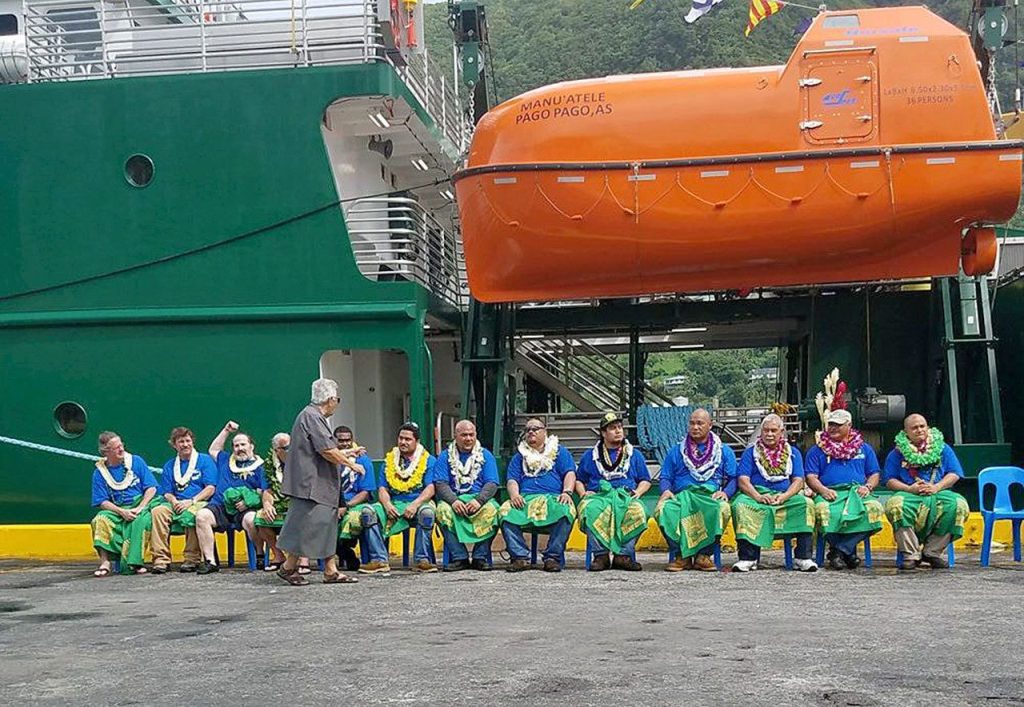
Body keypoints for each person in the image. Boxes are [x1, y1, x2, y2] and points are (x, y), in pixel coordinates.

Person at [275, 378, 361, 586]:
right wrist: (351, 464)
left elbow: (317, 448)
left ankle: (328, 570)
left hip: (316, 486)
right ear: (330, 399)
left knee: (322, 525)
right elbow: (326, 450)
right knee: (308, 526)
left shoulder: (310, 416)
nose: (337, 403)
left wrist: (347, 451)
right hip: (311, 486)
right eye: (337, 399)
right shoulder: (312, 417)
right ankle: (289, 567)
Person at [731, 414, 817, 572]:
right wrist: (758, 496)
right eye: (766, 431)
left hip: (784, 496)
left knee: (807, 504)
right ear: (761, 432)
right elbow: (743, 480)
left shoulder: (793, 453)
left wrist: (784, 497)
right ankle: (748, 558)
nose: (769, 434)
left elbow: (798, 481)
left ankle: (802, 557)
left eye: (773, 430)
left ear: (782, 432)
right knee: (740, 506)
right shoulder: (751, 453)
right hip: (756, 495)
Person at [882, 414, 969, 570]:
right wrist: (909, 489)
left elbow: (954, 473)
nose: (919, 430)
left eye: (922, 426)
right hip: (909, 492)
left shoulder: (943, 448)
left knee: (959, 505)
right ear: (906, 431)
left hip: (939, 491)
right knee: (895, 506)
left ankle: (932, 552)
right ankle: (911, 554)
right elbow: (889, 480)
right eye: (914, 428)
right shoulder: (896, 452)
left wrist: (937, 487)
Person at [655, 408, 736, 572]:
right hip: (682, 497)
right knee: (663, 509)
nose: (695, 427)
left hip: (709, 496)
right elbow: (665, 477)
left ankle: (703, 556)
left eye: (700, 423)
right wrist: (665, 491)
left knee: (722, 508)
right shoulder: (676, 451)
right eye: (692, 423)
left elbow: (734, 478)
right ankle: (681, 556)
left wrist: (725, 493)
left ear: (710, 425)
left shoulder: (723, 451)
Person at [805, 408, 884, 570]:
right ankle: (848, 553)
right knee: (823, 510)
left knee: (874, 509)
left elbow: (874, 473)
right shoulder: (817, 449)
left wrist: (868, 486)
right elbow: (811, 477)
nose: (833, 428)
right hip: (829, 492)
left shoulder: (864, 448)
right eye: (831, 424)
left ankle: (838, 551)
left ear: (849, 426)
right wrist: (822, 490)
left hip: (857, 492)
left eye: (838, 425)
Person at [358, 422, 439, 574]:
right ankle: (379, 560)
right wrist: (387, 505)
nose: (403, 442)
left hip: (419, 503)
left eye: (408, 439)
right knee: (368, 512)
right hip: (394, 504)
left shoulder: (429, 460)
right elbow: (382, 488)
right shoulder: (389, 460)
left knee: (427, 513)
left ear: (417, 441)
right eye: (401, 438)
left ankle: (421, 560)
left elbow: (430, 488)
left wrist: (415, 504)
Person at [575, 412, 650, 572]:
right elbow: (579, 479)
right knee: (588, 510)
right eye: (612, 428)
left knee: (639, 511)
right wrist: (583, 494)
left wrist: (638, 492)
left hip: (625, 495)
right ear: (603, 433)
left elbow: (645, 479)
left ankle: (623, 556)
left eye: (619, 427)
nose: (618, 431)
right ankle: (600, 556)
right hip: (599, 496)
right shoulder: (591, 455)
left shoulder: (634, 454)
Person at [500, 417, 577, 573]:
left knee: (567, 511)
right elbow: (512, 480)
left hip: (553, 498)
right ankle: (520, 557)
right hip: (525, 500)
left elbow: (569, 473)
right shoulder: (519, 457)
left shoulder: (559, 452)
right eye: (528, 430)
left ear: (545, 432)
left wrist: (567, 492)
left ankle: (552, 557)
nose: (531, 432)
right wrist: (514, 495)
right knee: (504, 512)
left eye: (535, 429)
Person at [89, 431, 160, 576]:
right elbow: (101, 501)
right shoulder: (100, 472)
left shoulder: (136, 462)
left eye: (121, 445)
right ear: (106, 452)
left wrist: (141, 507)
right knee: (100, 520)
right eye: (116, 448)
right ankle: (105, 562)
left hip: (140, 505)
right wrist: (121, 512)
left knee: (140, 520)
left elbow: (151, 488)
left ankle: (134, 563)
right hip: (117, 509)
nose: (121, 449)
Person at [434, 419, 501, 571]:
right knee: (442, 511)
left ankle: (480, 556)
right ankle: (460, 557)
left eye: (471, 435)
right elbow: (441, 484)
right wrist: (454, 501)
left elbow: (492, 483)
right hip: (454, 499)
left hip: (479, 499)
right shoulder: (445, 456)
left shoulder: (486, 455)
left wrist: (480, 500)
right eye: (464, 435)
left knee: (494, 511)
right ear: (455, 436)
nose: (468, 438)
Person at [150, 427, 219, 574]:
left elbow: (210, 488)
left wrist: (191, 501)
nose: (185, 444)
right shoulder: (170, 465)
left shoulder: (204, 460)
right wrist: (174, 501)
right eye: (181, 441)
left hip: (199, 501)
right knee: (158, 512)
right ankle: (161, 560)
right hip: (176, 502)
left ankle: (191, 559)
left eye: (188, 441)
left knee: (194, 513)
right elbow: (167, 492)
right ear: (174, 445)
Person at [208, 421, 268, 563]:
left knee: (251, 520)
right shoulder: (225, 460)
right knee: (202, 517)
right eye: (236, 445)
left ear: (251, 446)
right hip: (220, 507)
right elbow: (213, 450)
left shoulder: (262, 467)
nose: (240, 448)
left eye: (243, 444)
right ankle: (210, 562)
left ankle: (259, 553)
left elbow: (263, 492)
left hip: (246, 509)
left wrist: (247, 502)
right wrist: (226, 430)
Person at [333, 425, 377, 571]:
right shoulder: (328, 461)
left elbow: (365, 492)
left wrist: (345, 505)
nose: (345, 444)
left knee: (350, 518)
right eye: (341, 441)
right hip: (330, 502)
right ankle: (344, 553)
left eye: (348, 440)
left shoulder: (363, 460)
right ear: (334, 441)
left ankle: (346, 552)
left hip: (353, 503)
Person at [254, 432, 291, 571]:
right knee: (261, 518)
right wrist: (267, 504)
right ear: (277, 450)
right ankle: (278, 555)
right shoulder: (267, 466)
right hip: (279, 503)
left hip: (298, 502)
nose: (291, 450)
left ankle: (302, 560)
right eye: (287, 448)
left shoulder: (301, 462)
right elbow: (267, 490)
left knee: (301, 515)